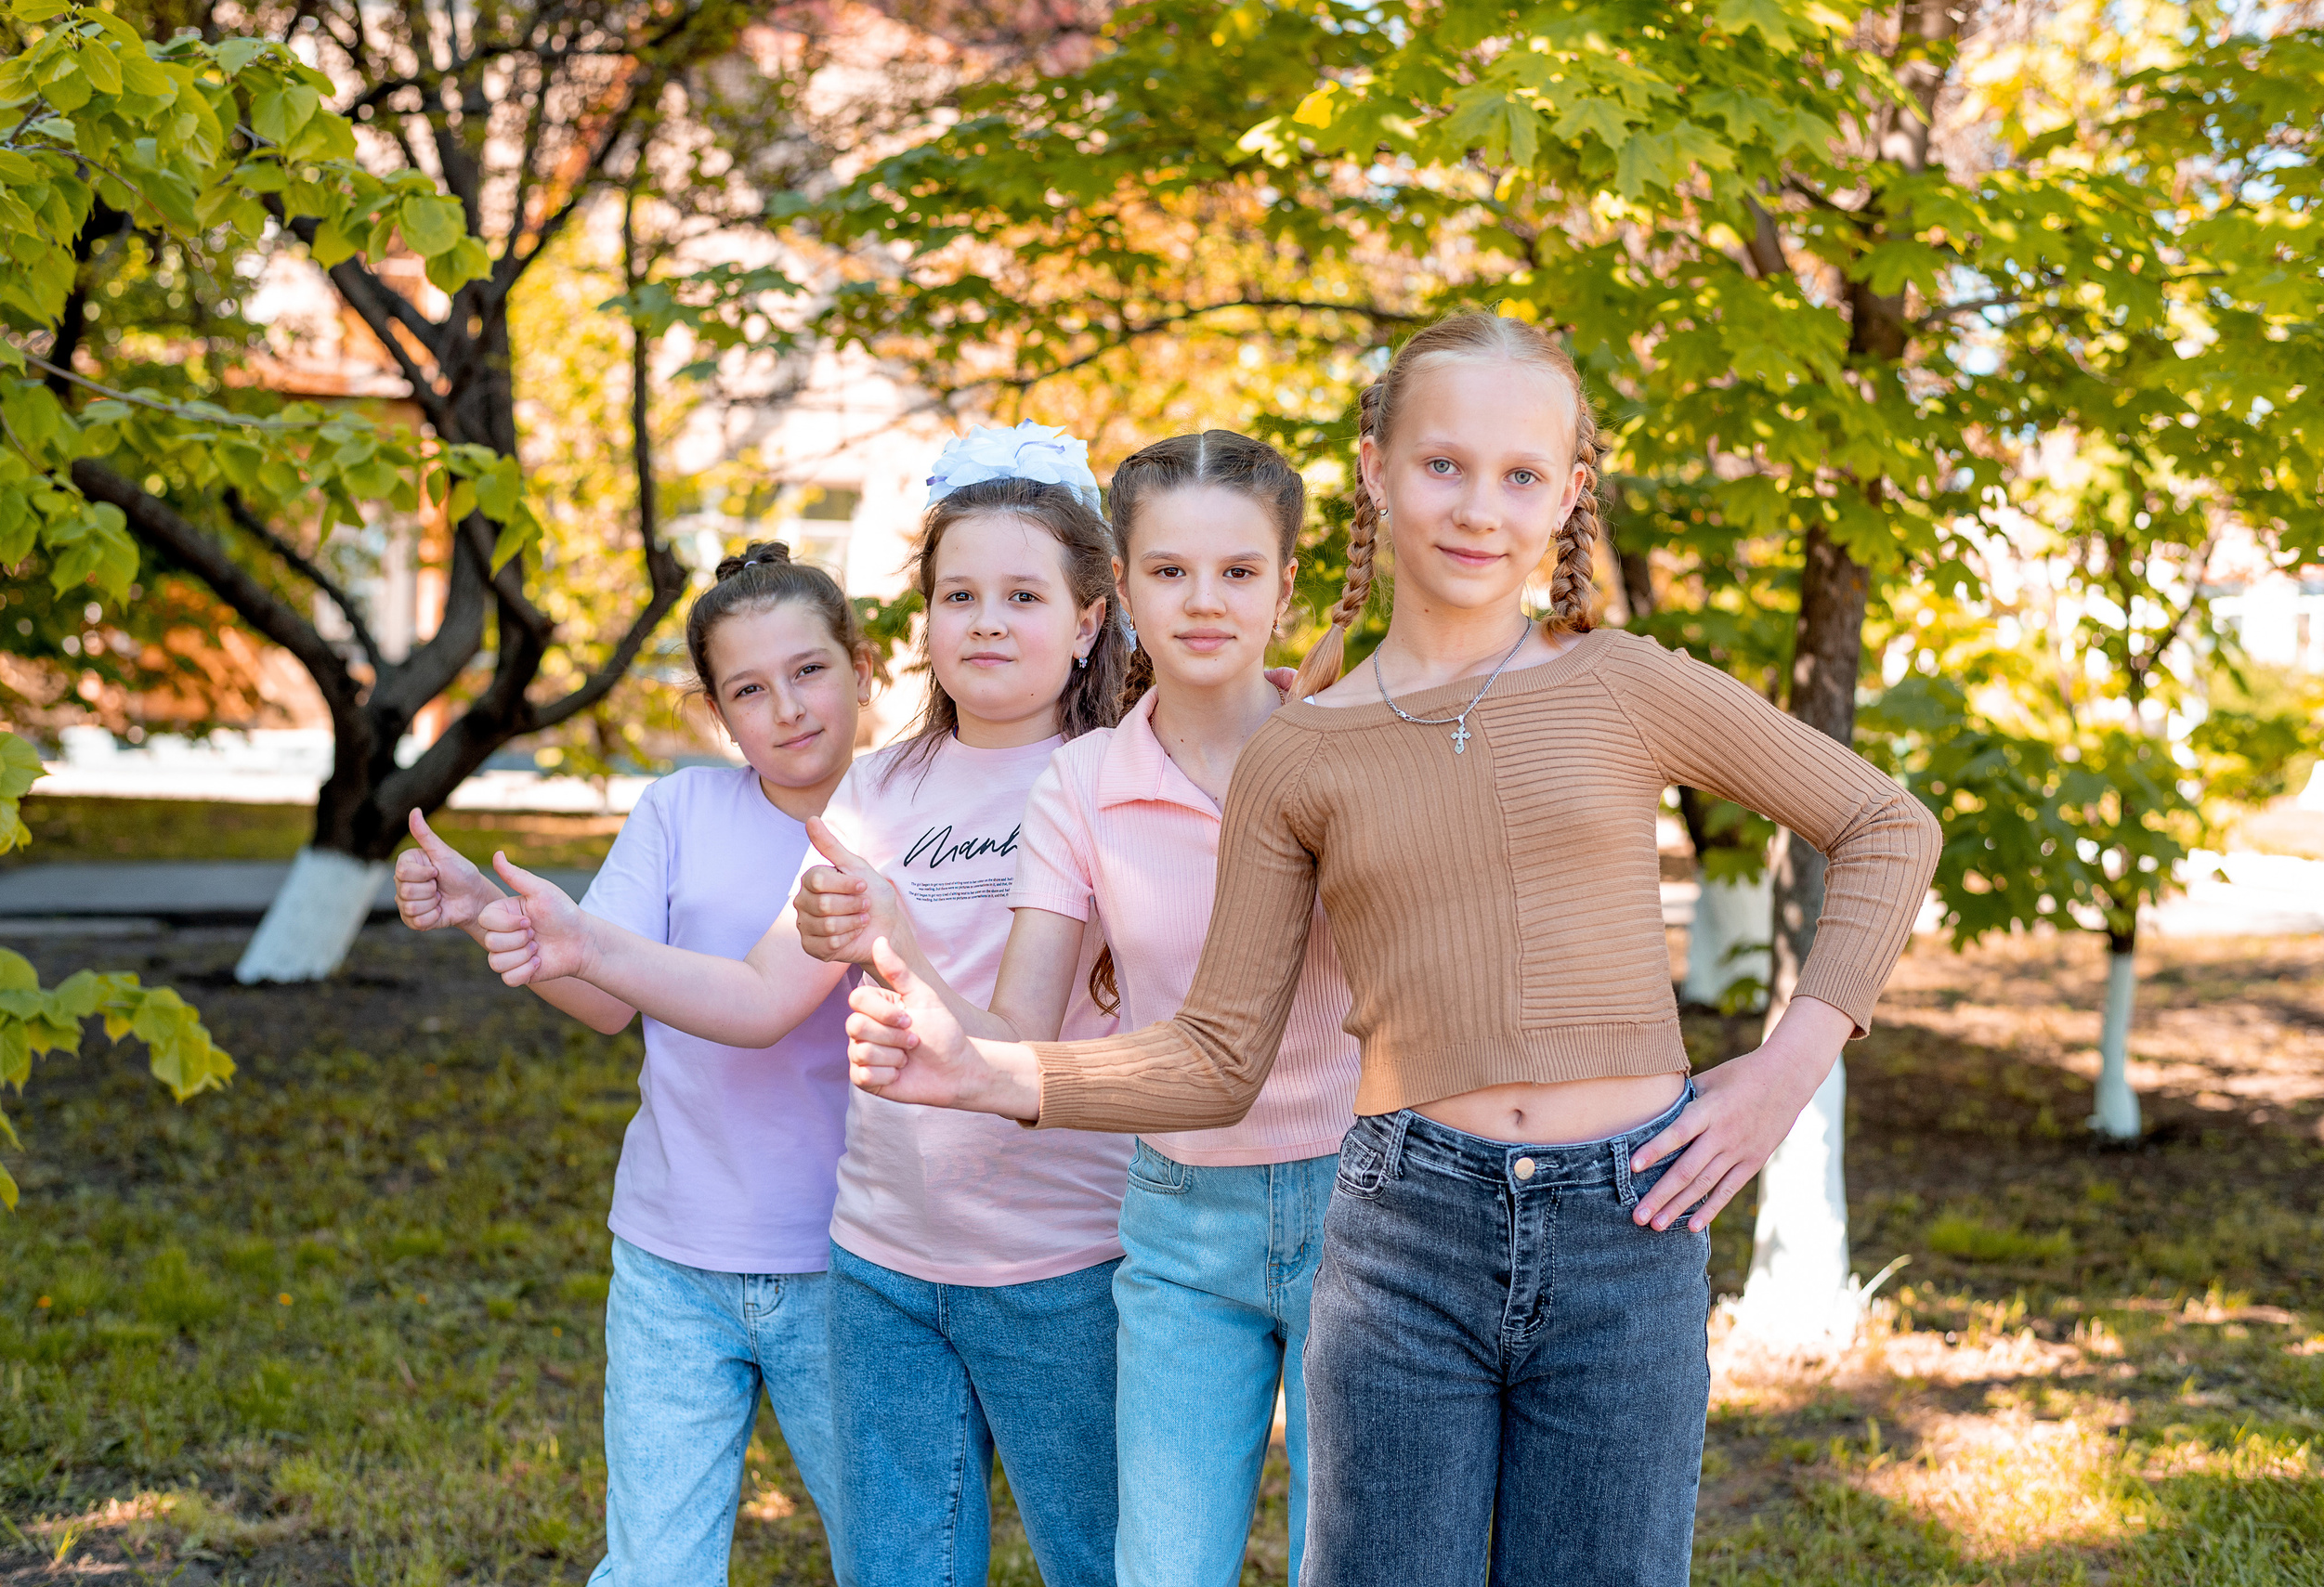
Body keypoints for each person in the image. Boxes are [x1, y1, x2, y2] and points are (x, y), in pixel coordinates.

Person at [837, 311, 1946, 1586]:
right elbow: (1218, 1053)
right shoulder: (1302, 751)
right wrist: (987, 1072)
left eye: (1523, 475)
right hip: (1402, 1228)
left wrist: (1784, 1068)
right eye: (1443, 465)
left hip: (1629, 1221)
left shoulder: (1623, 682)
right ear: (1375, 470)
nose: (1481, 508)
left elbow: (1885, 823)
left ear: (1569, 495)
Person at [469, 423, 1135, 1587]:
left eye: (1022, 594)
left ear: (1087, 618)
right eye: (958, 593)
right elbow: (757, 995)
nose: (984, 619)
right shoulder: (876, 788)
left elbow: (1026, 1042)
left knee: (1104, 1561)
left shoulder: (1119, 777)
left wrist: (898, 929)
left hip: (1058, 1260)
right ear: (920, 622)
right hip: (882, 1260)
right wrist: (584, 940)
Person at [795, 431, 1359, 1586]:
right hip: (1173, 1209)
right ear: (1128, 593)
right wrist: (910, 971)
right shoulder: (1085, 782)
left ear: (1285, 583)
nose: (1204, 601)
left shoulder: (1351, 747)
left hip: (1357, 1200)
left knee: (1348, 1559)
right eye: (1170, 571)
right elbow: (1018, 1032)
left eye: (1240, 572)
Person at [392, 542, 872, 1586]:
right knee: (655, 1566)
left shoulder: (905, 816)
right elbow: (603, 992)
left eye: (809, 670)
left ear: (862, 668)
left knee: (887, 1555)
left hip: (849, 1264)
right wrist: (484, 906)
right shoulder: (679, 810)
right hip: (670, 1256)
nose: (786, 708)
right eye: (749, 688)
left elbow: (750, 997)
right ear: (716, 711)